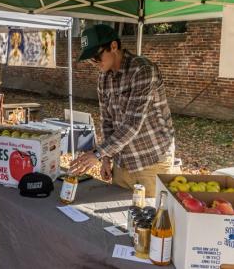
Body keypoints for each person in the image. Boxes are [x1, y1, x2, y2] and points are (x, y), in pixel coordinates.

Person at [70, 24, 178, 197]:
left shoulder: (142, 70)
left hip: (151, 161)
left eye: (96, 56)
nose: (94, 63)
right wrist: (105, 158)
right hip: (122, 163)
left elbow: (133, 124)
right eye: (90, 59)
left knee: (150, 218)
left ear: (113, 46)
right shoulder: (103, 78)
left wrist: (98, 153)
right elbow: (106, 121)